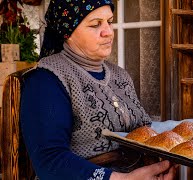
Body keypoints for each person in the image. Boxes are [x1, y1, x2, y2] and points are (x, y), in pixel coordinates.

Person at [20, 0, 177, 179]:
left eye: (109, 22)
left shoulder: (120, 75)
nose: (108, 32)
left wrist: (158, 168)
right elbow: (50, 162)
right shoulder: (46, 81)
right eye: (95, 24)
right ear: (67, 32)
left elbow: (142, 133)